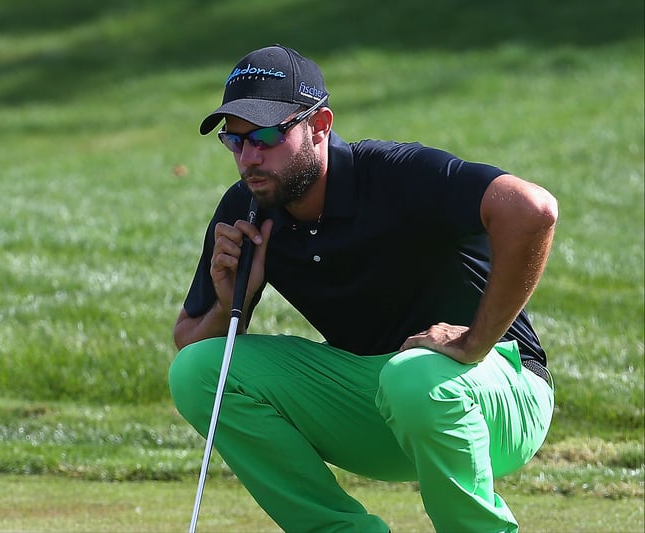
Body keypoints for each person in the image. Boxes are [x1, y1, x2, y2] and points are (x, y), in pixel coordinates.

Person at [168, 44, 557, 532]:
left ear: (320, 124)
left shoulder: (395, 174)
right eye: (235, 140)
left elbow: (532, 210)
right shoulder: (247, 208)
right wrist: (232, 304)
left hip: (499, 394)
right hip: (379, 404)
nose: (250, 157)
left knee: (412, 378)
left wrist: (474, 341)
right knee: (198, 371)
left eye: (267, 134)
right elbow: (189, 343)